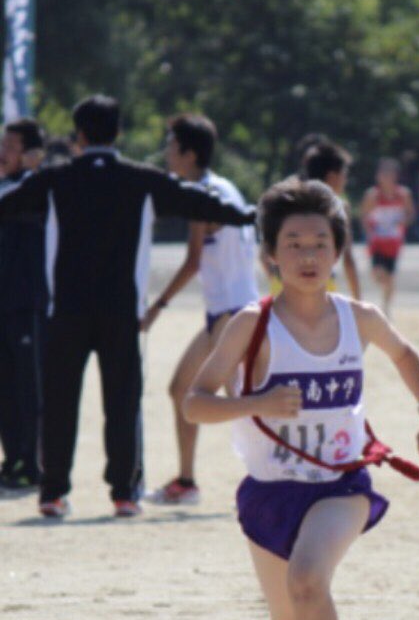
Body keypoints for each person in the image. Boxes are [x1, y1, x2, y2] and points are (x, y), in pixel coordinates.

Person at [183, 177, 419, 620]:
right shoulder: (250, 326)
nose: (308, 256)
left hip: (342, 484)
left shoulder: (360, 318)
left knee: (309, 581)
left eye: (320, 244)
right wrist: (255, 403)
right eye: (294, 244)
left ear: (338, 252)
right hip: (269, 493)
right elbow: (195, 402)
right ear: (269, 255)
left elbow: (407, 356)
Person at [0, 94, 256, 519]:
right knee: (122, 400)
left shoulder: (55, 179)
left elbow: (8, 204)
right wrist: (250, 215)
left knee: (60, 400)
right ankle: (124, 493)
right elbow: (198, 201)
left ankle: (53, 493)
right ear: (117, 132)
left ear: (79, 135)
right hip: (122, 310)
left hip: (66, 309)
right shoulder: (141, 178)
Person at [144, 114, 258, 505]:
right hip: (229, 311)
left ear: (189, 154)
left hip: (230, 314)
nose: (166, 154)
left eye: (172, 146)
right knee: (183, 390)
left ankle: (269, 478)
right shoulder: (222, 186)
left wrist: (156, 307)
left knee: (240, 403)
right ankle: (187, 481)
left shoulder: (202, 197)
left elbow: (193, 261)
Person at [0, 118, 48, 491]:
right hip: (3, 303)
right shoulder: (5, 186)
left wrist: (34, 170)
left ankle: (33, 463)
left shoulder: (38, 188)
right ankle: (12, 456)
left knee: (29, 387)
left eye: (11, 145)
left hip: (28, 303)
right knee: (5, 386)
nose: (3, 151)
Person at [300, 139, 361, 300]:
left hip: (285, 285)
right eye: (344, 175)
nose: (345, 181)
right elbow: (348, 259)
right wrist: (358, 299)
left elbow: (265, 254)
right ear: (332, 177)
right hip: (322, 286)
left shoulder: (290, 202)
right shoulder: (339, 207)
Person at [360, 158, 415, 316]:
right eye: (383, 174)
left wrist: (403, 221)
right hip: (377, 241)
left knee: (390, 276)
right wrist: (370, 232)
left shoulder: (403, 194)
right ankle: (385, 298)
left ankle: (386, 306)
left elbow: (411, 214)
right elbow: (364, 216)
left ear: (395, 176)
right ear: (378, 176)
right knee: (378, 273)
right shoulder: (372, 195)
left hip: (393, 242)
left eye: (390, 173)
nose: (386, 177)